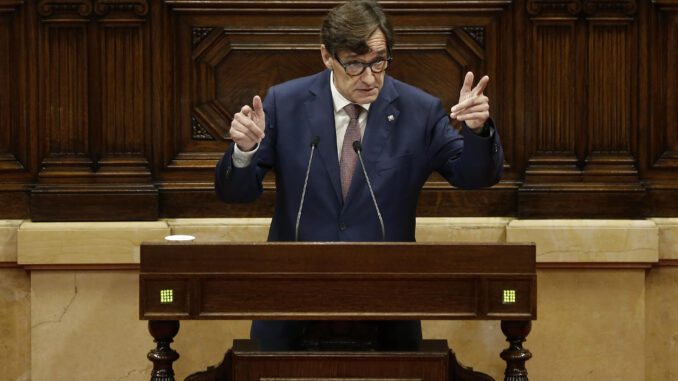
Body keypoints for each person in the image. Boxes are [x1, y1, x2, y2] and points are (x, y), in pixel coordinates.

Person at [215, 0, 504, 351]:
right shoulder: (284, 103)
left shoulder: (419, 110)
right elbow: (236, 194)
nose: (369, 77)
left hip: (388, 303)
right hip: (291, 297)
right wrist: (244, 151)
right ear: (327, 56)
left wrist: (477, 130)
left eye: (379, 61)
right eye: (354, 64)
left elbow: (474, 176)